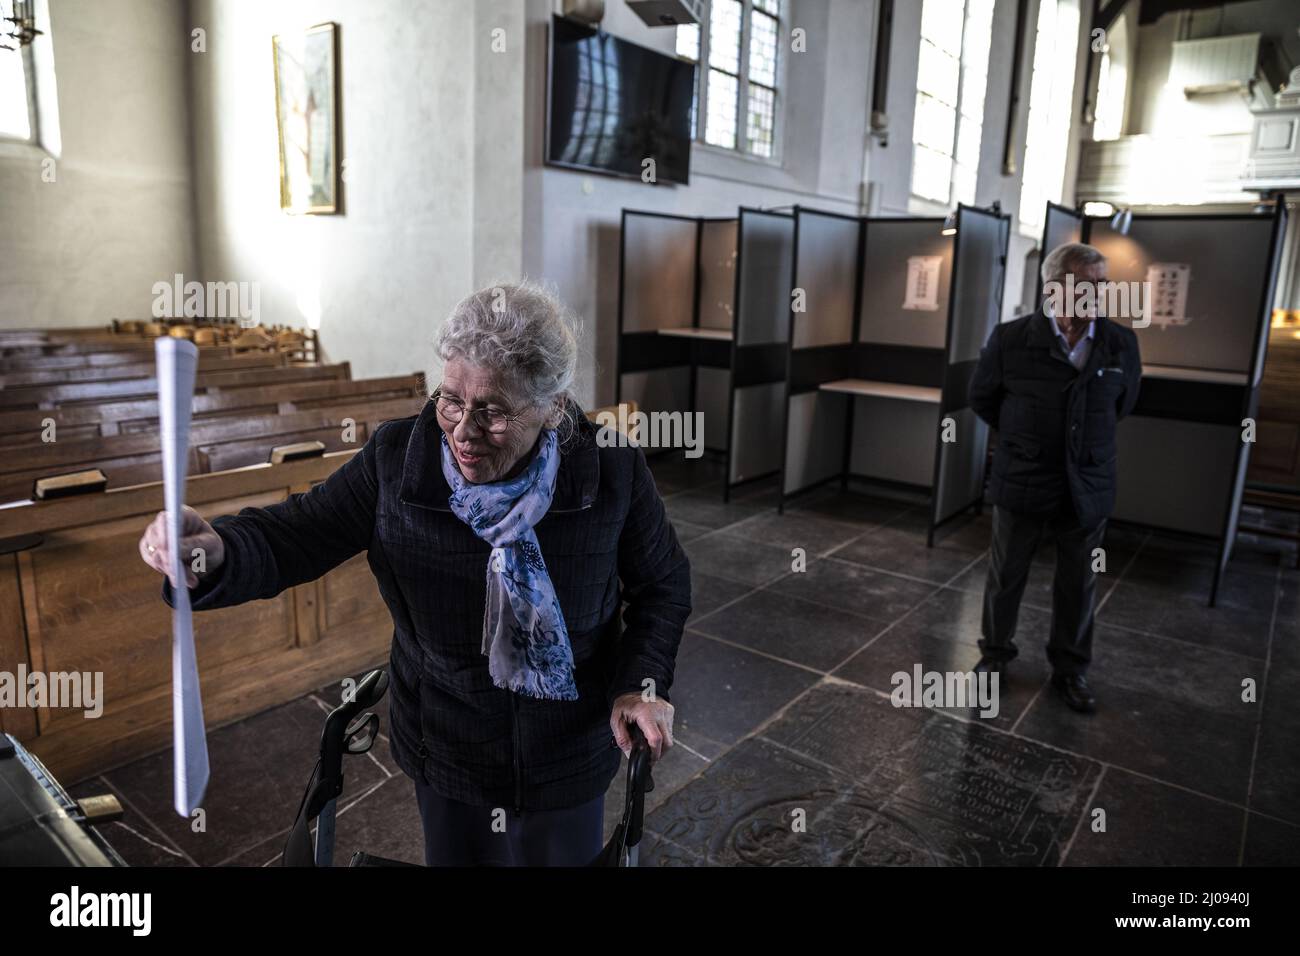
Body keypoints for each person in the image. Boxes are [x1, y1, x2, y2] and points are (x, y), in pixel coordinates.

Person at [139, 280, 691, 865]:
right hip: (448, 743)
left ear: (552, 406)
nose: (462, 430)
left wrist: (641, 684)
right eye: (451, 400)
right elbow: (295, 534)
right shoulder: (397, 459)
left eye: (494, 411)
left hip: (571, 748)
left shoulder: (611, 469)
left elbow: (663, 587)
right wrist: (216, 550)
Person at [968, 242, 1141, 714]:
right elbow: (982, 398)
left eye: (1104, 286)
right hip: (1024, 478)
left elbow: (1122, 405)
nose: (1100, 295)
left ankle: (1070, 669)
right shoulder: (1011, 340)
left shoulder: (1120, 344)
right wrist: (1025, 440)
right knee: (1006, 576)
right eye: (1088, 285)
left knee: (1079, 581)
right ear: (1055, 288)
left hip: (1087, 483)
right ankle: (995, 658)